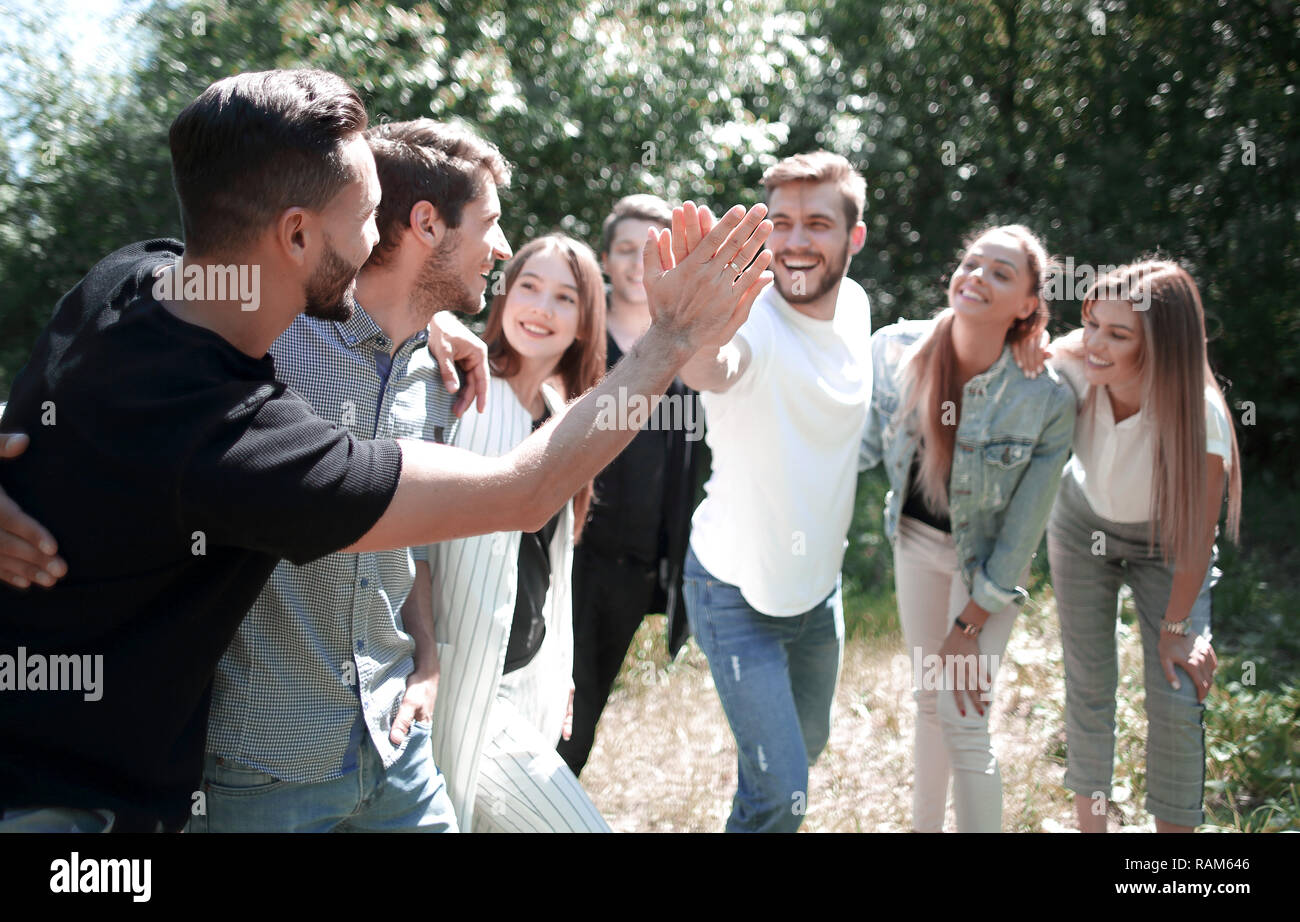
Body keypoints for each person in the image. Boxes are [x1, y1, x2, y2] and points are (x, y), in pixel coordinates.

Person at [0, 68, 775, 833]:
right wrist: (668, 342)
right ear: (297, 235)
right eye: (372, 216)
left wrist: (414, 325)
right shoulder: (246, 437)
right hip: (110, 797)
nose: (383, 238)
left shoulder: (132, 277)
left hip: (381, 746)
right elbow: (524, 491)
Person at [189, 118, 509, 833]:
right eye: (490, 223)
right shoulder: (270, 340)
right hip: (266, 764)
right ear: (427, 223)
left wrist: (426, 659)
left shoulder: (439, 374)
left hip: (396, 743)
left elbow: (411, 539)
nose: (503, 247)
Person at [672, 151, 872, 832]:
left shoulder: (859, 309)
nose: (793, 241)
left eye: (817, 223)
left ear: (854, 238)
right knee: (781, 795)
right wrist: (691, 336)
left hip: (819, 589)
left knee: (797, 757)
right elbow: (715, 367)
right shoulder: (749, 318)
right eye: (780, 222)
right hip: (733, 589)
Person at [860, 225, 1076, 832]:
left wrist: (970, 622)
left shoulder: (1046, 396)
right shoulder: (897, 349)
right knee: (930, 704)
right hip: (915, 545)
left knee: (963, 718)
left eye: (1000, 273)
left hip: (985, 570)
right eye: (972, 262)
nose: (976, 276)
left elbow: (1022, 534)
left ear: (1028, 306)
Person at [1024, 260, 1240, 832]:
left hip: (1168, 544)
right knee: (1088, 683)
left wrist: (1176, 632)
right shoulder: (1078, 365)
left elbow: (1197, 539)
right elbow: (1047, 345)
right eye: (1091, 323)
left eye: (1118, 334)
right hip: (1081, 525)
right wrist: (1043, 346)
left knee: (1176, 692)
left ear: (1162, 347)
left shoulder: (1202, 417)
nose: (1096, 344)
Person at [414, 234, 610, 832]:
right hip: (460, 676)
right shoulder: (455, 388)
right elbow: (413, 541)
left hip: (529, 677)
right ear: (502, 294)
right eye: (528, 286)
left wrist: (563, 670)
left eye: (564, 298)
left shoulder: (565, 413)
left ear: (584, 323)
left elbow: (553, 567)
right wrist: (425, 656)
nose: (541, 308)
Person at [558, 194, 703, 777]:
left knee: (585, 713)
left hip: (639, 563)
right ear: (606, 259)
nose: (641, 263)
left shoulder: (691, 350)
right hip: (571, 555)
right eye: (627, 250)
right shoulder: (578, 337)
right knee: (557, 700)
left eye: (656, 250)